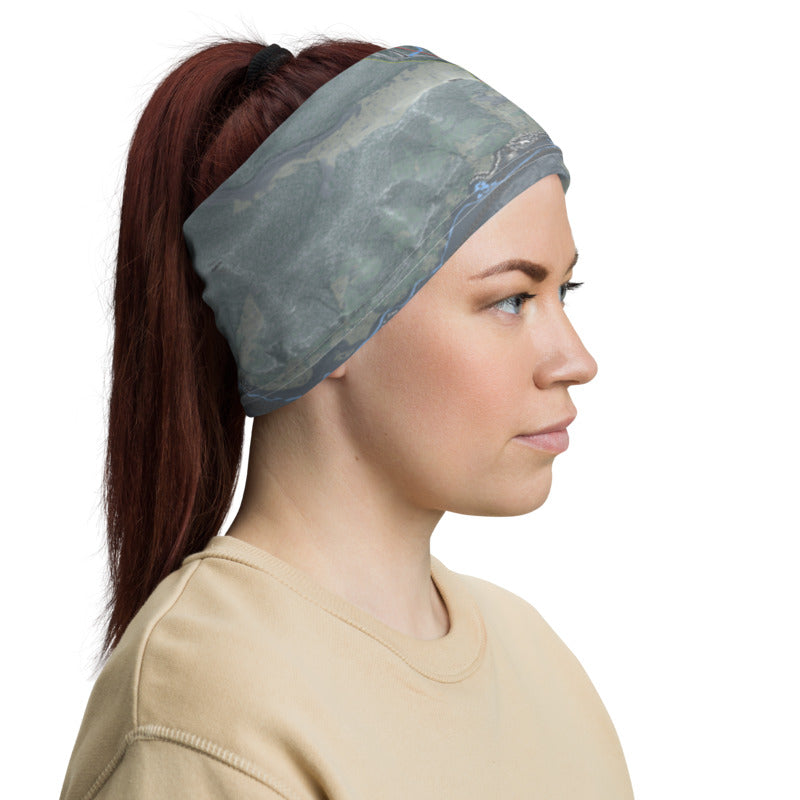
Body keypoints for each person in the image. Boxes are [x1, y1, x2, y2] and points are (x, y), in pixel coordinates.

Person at [59, 37, 634, 799]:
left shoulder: (535, 661)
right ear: (323, 319)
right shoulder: (211, 703)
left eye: (566, 292)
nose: (575, 359)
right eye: (511, 300)